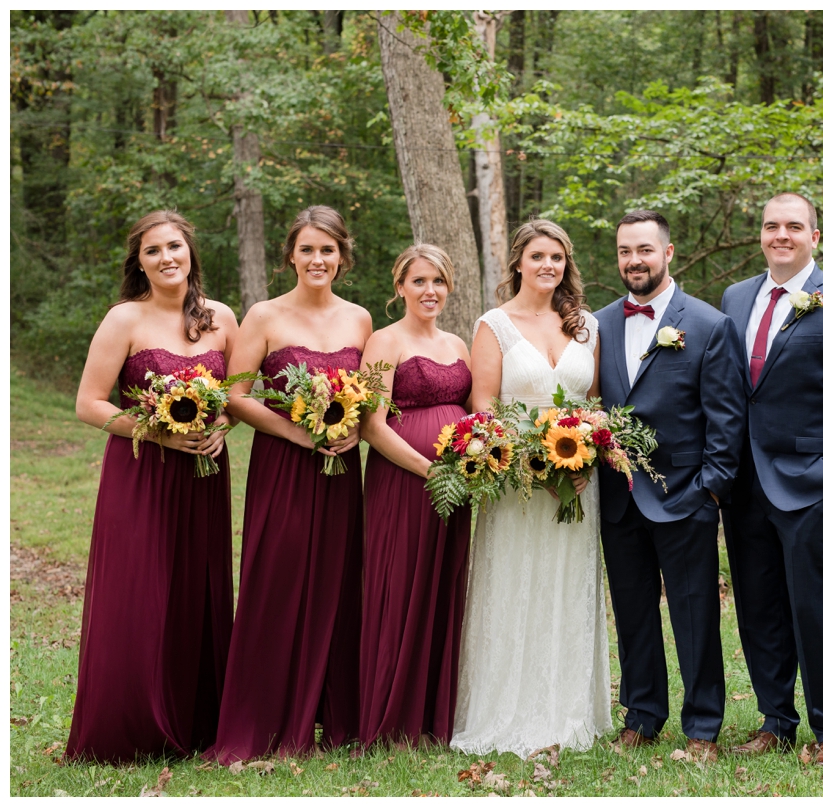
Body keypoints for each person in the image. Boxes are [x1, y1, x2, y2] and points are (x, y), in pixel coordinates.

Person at [67, 212, 238, 764]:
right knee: (138, 590)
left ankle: (194, 724)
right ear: (138, 262)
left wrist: (221, 426)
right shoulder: (124, 319)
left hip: (204, 475)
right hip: (141, 469)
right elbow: (89, 404)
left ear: (191, 251)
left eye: (175, 246)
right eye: (153, 251)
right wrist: (158, 435)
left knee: (197, 586)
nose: (167, 258)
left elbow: (238, 394)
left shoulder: (222, 319)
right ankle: (130, 725)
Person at [721, 192, 823, 763]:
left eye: (793, 226)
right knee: (757, 604)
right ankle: (775, 721)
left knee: (814, 605)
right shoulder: (735, 298)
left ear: (816, 236)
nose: (780, 234)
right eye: (770, 226)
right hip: (743, 482)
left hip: (811, 481)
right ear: (760, 235)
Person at [214, 206, 372, 763]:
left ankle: (338, 716)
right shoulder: (263, 315)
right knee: (276, 579)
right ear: (290, 255)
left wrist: (352, 431)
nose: (317, 260)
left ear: (342, 256)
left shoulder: (360, 319)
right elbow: (235, 395)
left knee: (337, 580)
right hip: (283, 463)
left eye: (327, 249)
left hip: (340, 468)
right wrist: (299, 436)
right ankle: (263, 718)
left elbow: (371, 395)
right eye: (307, 249)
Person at [451, 218, 611, 757]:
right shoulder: (494, 324)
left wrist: (588, 448)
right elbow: (484, 403)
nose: (549, 266)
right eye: (538, 256)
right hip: (518, 479)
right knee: (513, 582)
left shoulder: (586, 323)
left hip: (577, 476)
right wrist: (525, 460)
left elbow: (595, 401)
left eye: (558, 258)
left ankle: (566, 708)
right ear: (518, 261)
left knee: (566, 584)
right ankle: (503, 708)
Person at [594, 207, 744, 764]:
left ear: (668, 253)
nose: (634, 261)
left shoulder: (707, 324)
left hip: (685, 495)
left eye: (644, 250)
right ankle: (642, 714)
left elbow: (726, 419)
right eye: (625, 251)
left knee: (694, 614)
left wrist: (710, 488)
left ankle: (703, 725)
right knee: (633, 612)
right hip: (618, 493)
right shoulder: (599, 324)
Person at [359, 246, 473, 749]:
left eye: (439, 282)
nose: (431, 291)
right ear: (400, 286)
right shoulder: (382, 342)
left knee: (442, 588)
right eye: (420, 281)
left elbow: (471, 414)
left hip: (460, 487)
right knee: (400, 586)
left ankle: (434, 718)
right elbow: (371, 425)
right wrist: (430, 470)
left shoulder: (459, 344)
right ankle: (392, 717)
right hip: (403, 482)